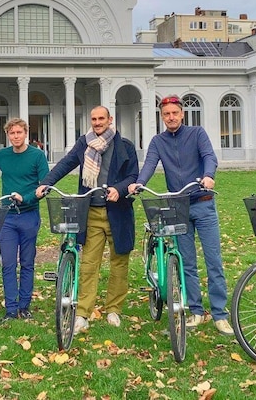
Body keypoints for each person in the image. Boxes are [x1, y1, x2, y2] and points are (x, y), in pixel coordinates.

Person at [128, 95, 233, 336]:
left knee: (213, 261)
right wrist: (139, 183)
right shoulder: (158, 141)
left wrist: (208, 175)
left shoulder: (197, 134)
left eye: (175, 113)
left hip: (203, 203)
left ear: (182, 113)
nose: (171, 117)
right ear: (162, 117)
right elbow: (149, 164)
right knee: (187, 262)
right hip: (179, 208)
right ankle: (196, 311)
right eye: (166, 114)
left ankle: (219, 314)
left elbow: (209, 157)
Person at [36, 106, 139, 332]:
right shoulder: (85, 143)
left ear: (110, 120)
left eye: (101, 118)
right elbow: (66, 163)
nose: (97, 122)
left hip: (118, 212)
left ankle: (114, 309)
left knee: (119, 263)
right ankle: (83, 312)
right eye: (94, 119)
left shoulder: (126, 146)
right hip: (91, 210)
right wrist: (46, 182)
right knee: (89, 264)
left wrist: (119, 190)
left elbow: (133, 176)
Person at [0, 118, 49, 323]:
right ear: (8, 135)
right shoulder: (2, 155)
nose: (15, 137)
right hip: (8, 216)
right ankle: (11, 309)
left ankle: (25, 306)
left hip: (29, 215)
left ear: (26, 133)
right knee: (9, 264)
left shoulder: (37, 156)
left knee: (27, 263)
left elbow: (44, 186)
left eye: (19, 133)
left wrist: (27, 198)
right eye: (12, 133)